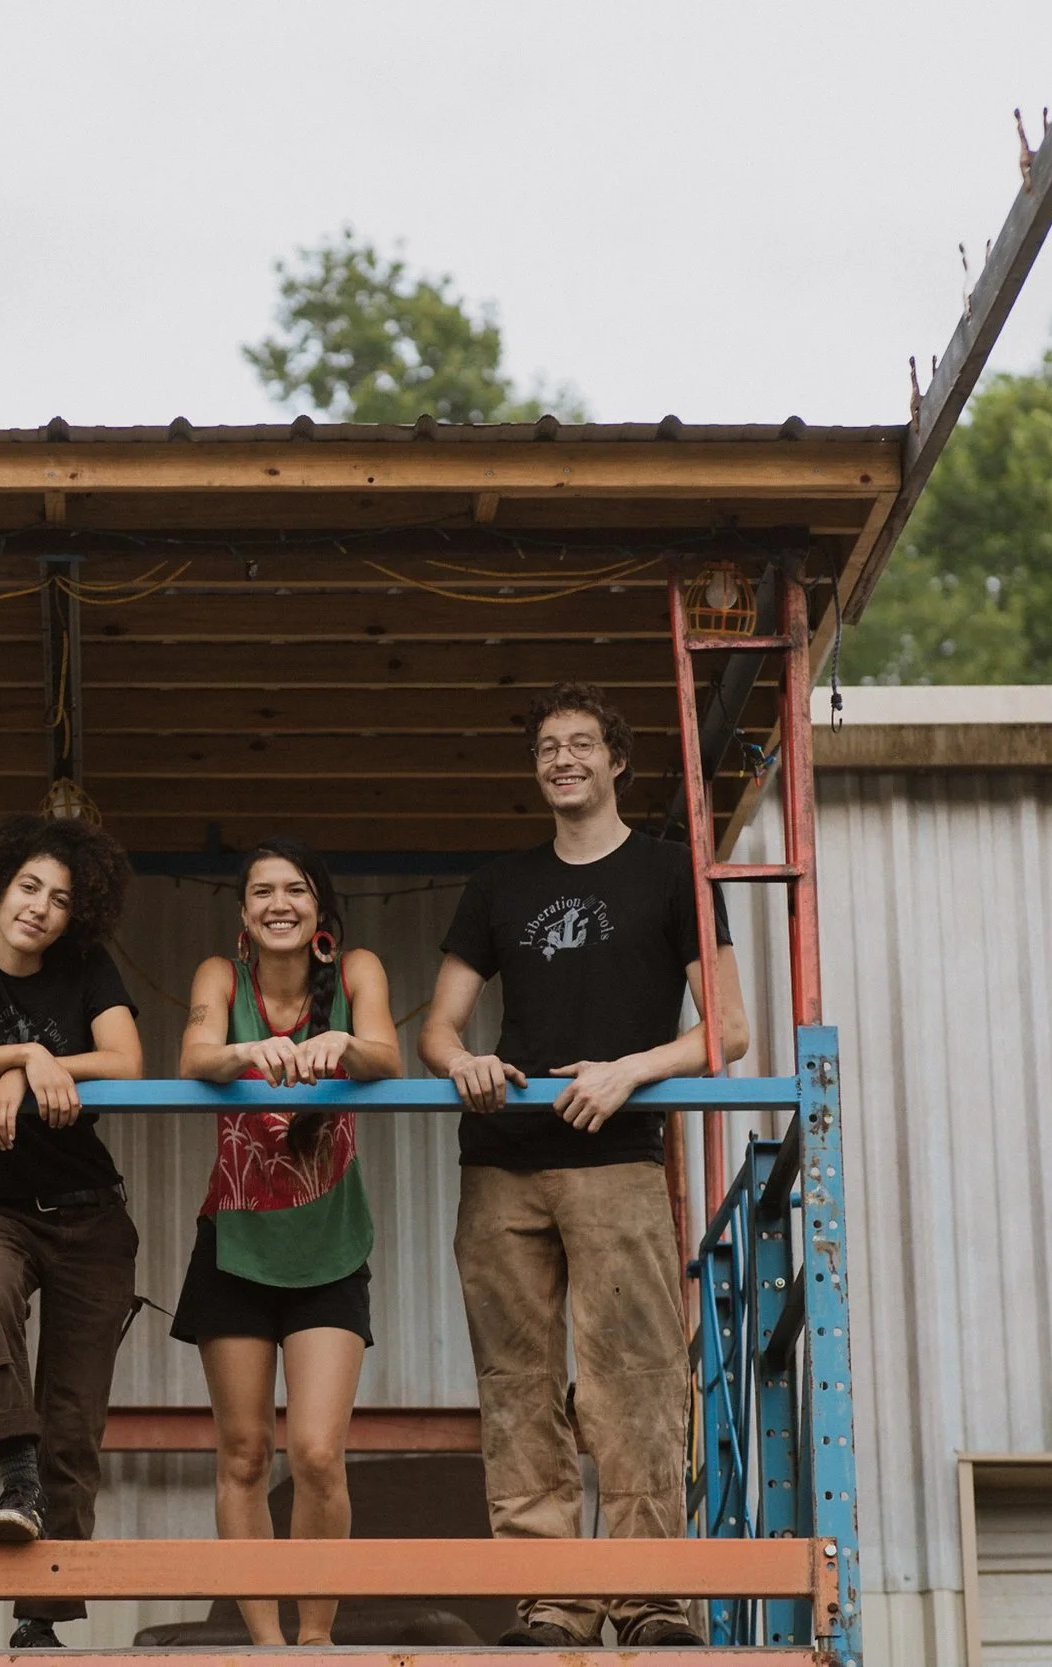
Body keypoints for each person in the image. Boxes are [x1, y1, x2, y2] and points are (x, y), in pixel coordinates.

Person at [417, 682, 747, 1650]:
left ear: (616, 760)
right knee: (517, 1385)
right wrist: (464, 1060)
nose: (562, 758)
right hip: (503, 1163)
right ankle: (551, 1599)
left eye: (580, 743)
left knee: (634, 1378)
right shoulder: (499, 884)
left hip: (616, 1157)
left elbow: (728, 1029)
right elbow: (437, 1026)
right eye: (547, 748)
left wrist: (628, 1070)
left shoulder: (671, 873)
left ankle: (648, 1597)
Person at [0, 814, 144, 1651]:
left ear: (78, 915)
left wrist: (38, 1067)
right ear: (0, 887)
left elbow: (126, 1062)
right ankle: (16, 1471)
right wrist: (20, 1058)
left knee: (74, 1425)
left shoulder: (87, 969)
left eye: (61, 898)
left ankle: (40, 1619)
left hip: (92, 1213)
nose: (40, 906)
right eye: (29, 886)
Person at [174, 838, 399, 1647]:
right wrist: (246, 1052)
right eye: (263, 891)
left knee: (315, 1452)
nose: (279, 903)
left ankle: (315, 1639)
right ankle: (267, 1644)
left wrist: (343, 1045)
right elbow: (195, 1055)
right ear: (243, 912)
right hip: (235, 1243)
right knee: (242, 1453)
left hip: (329, 1245)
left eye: (296, 890)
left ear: (319, 909)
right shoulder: (220, 976)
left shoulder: (357, 971)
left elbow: (387, 1053)